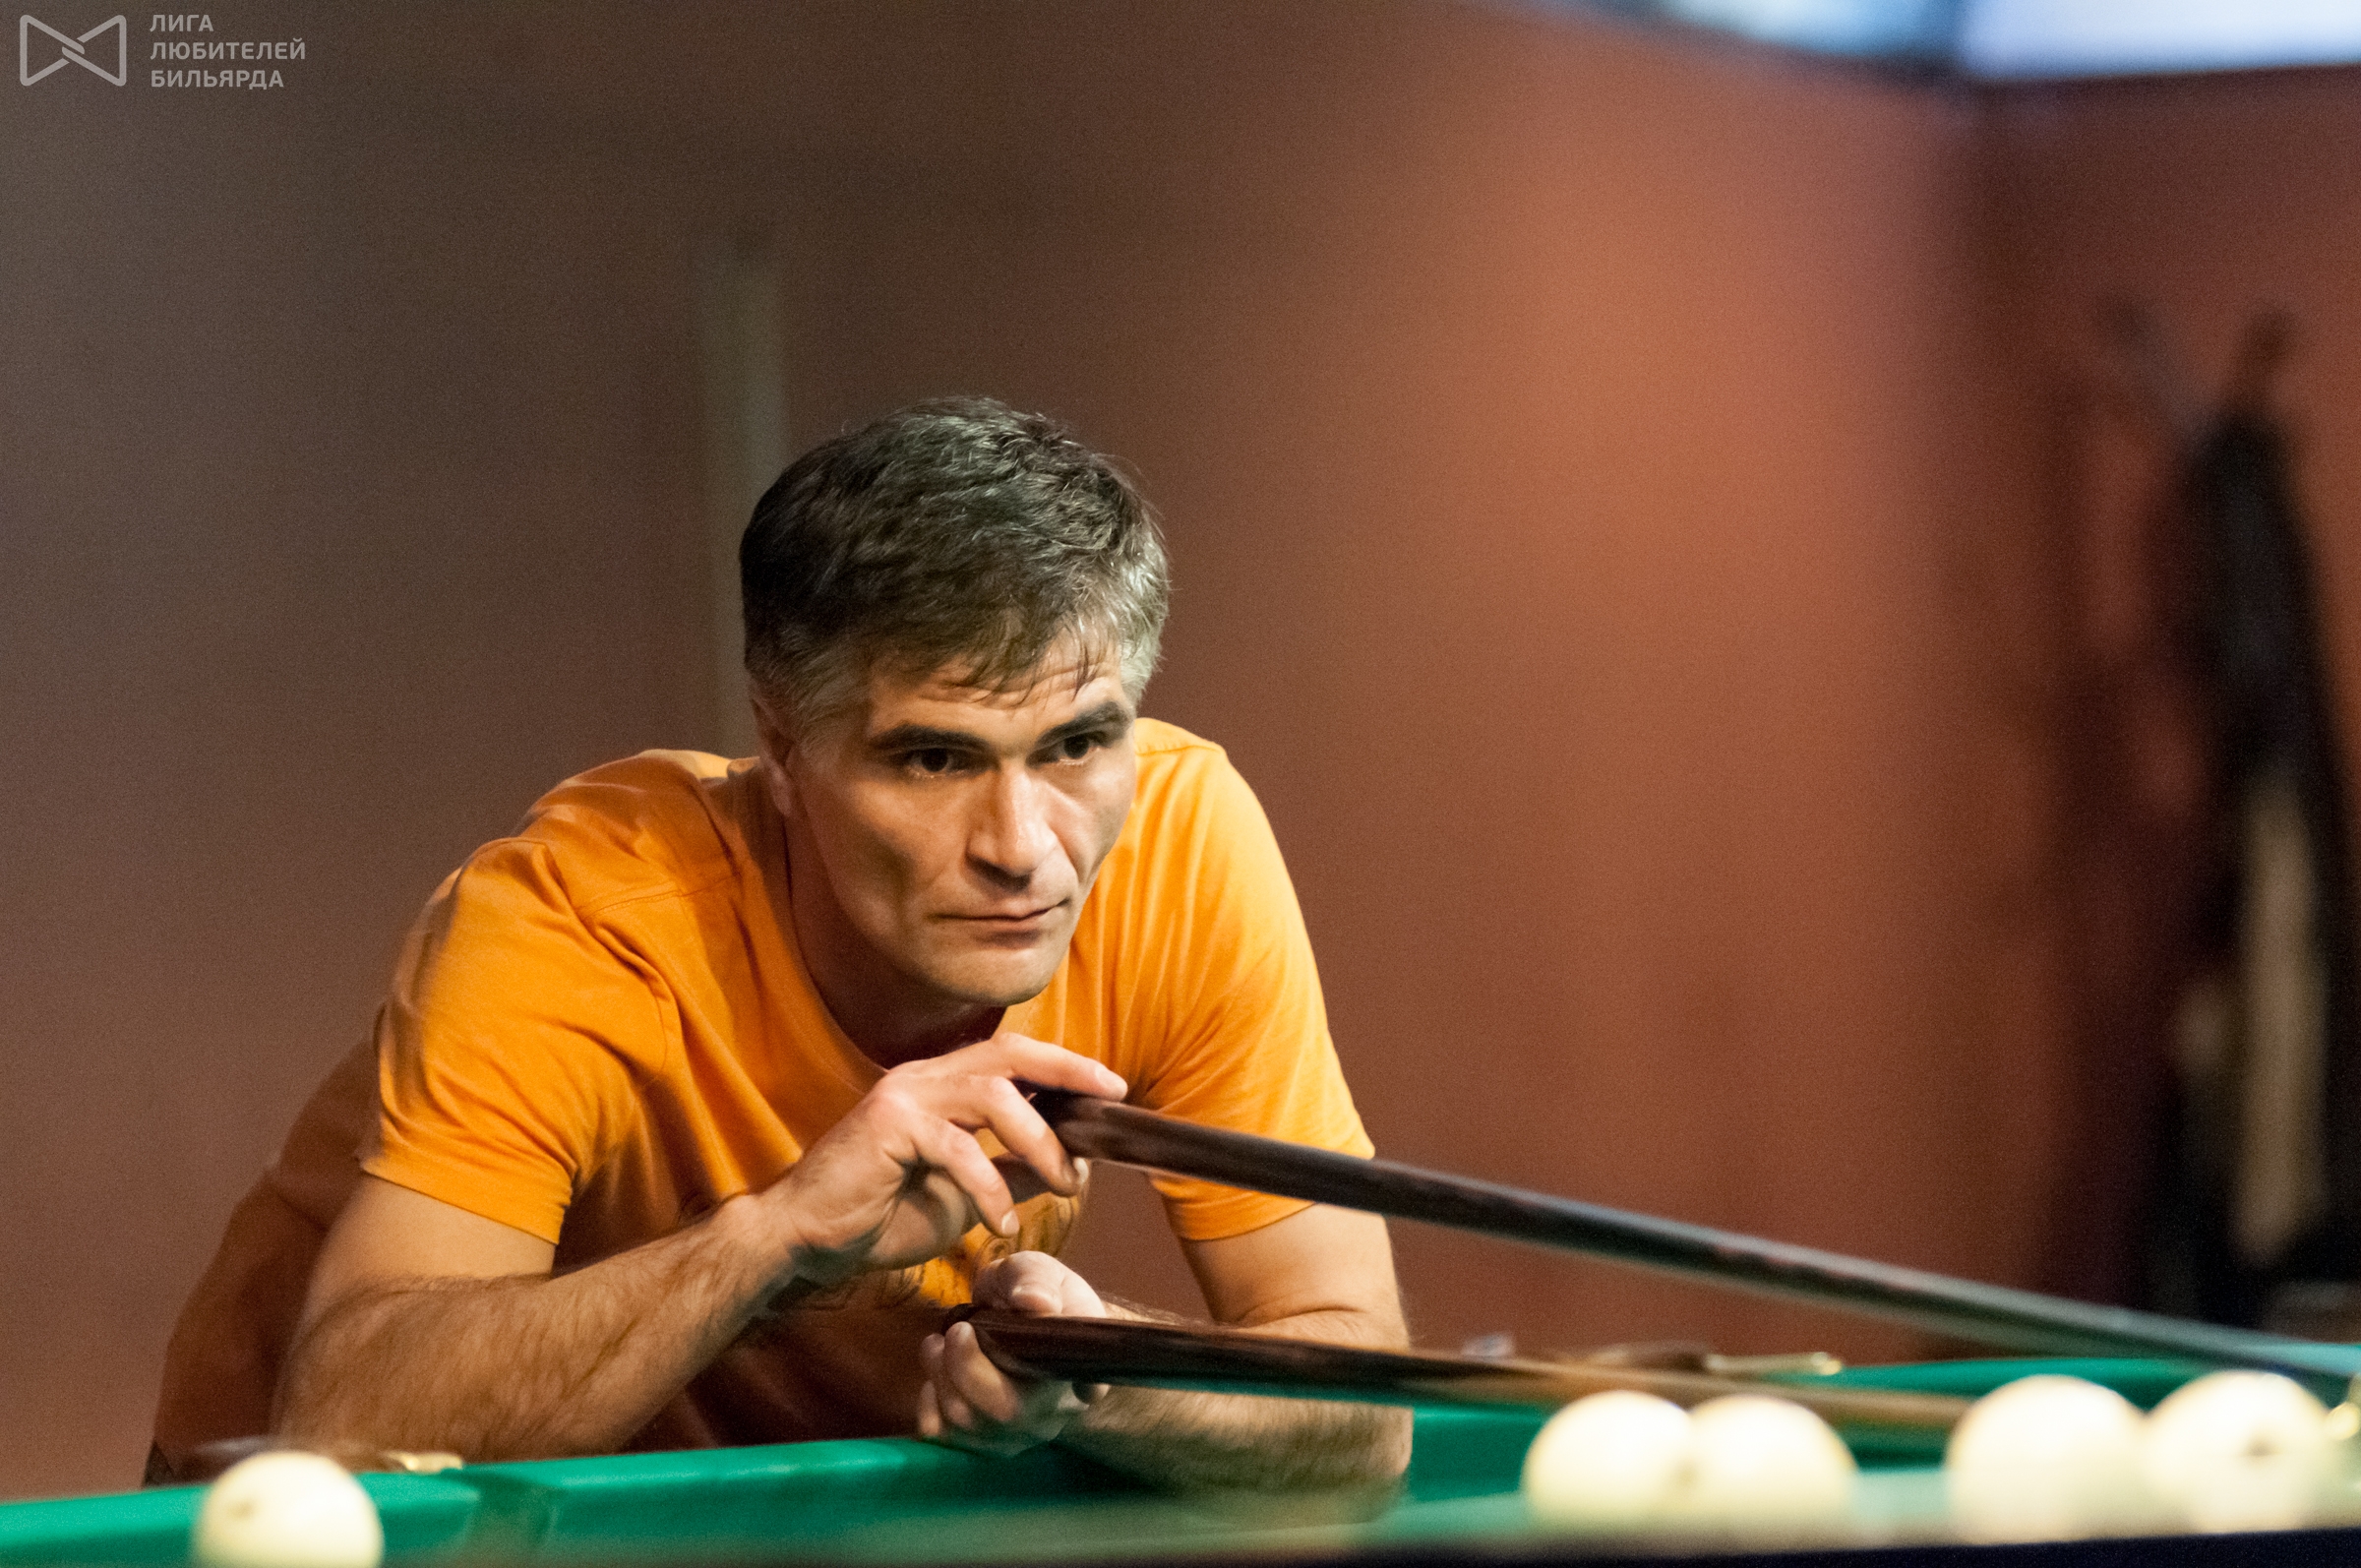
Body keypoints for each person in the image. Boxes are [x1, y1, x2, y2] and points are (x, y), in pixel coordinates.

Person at [150, 398, 1409, 1490]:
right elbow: (348, 1424)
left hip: (792, 1501)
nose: (1026, 847)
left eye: (1078, 743)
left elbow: (1363, 1401)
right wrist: (779, 1236)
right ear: (783, 744)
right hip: (321, 1515)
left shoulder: (1182, 843)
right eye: (934, 758)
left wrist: (1106, 1374)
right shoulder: (586, 910)